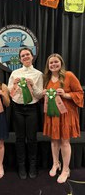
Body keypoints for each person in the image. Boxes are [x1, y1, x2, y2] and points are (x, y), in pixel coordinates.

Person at [42, 53, 84, 183]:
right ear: (48, 66)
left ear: (61, 63)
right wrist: (44, 94)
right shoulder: (47, 79)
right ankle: (56, 163)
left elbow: (80, 94)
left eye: (56, 62)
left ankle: (66, 169)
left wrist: (65, 95)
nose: (53, 64)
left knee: (65, 142)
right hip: (52, 115)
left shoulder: (69, 76)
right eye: (51, 63)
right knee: (54, 140)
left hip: (66, 114)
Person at [8, 47, 43, 179]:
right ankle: (21, 165)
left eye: (27, 54)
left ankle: (33, 165)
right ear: (20, 59)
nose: (25, 57)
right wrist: (15, 85)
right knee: (19, 138)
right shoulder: (15, 73)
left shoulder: (38, 74)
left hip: (32, 109)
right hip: (17, 108)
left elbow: (39, 95)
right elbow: (10, 93)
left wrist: (33, 85)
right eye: (22, 56)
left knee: (32, 138)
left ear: (32, 56)